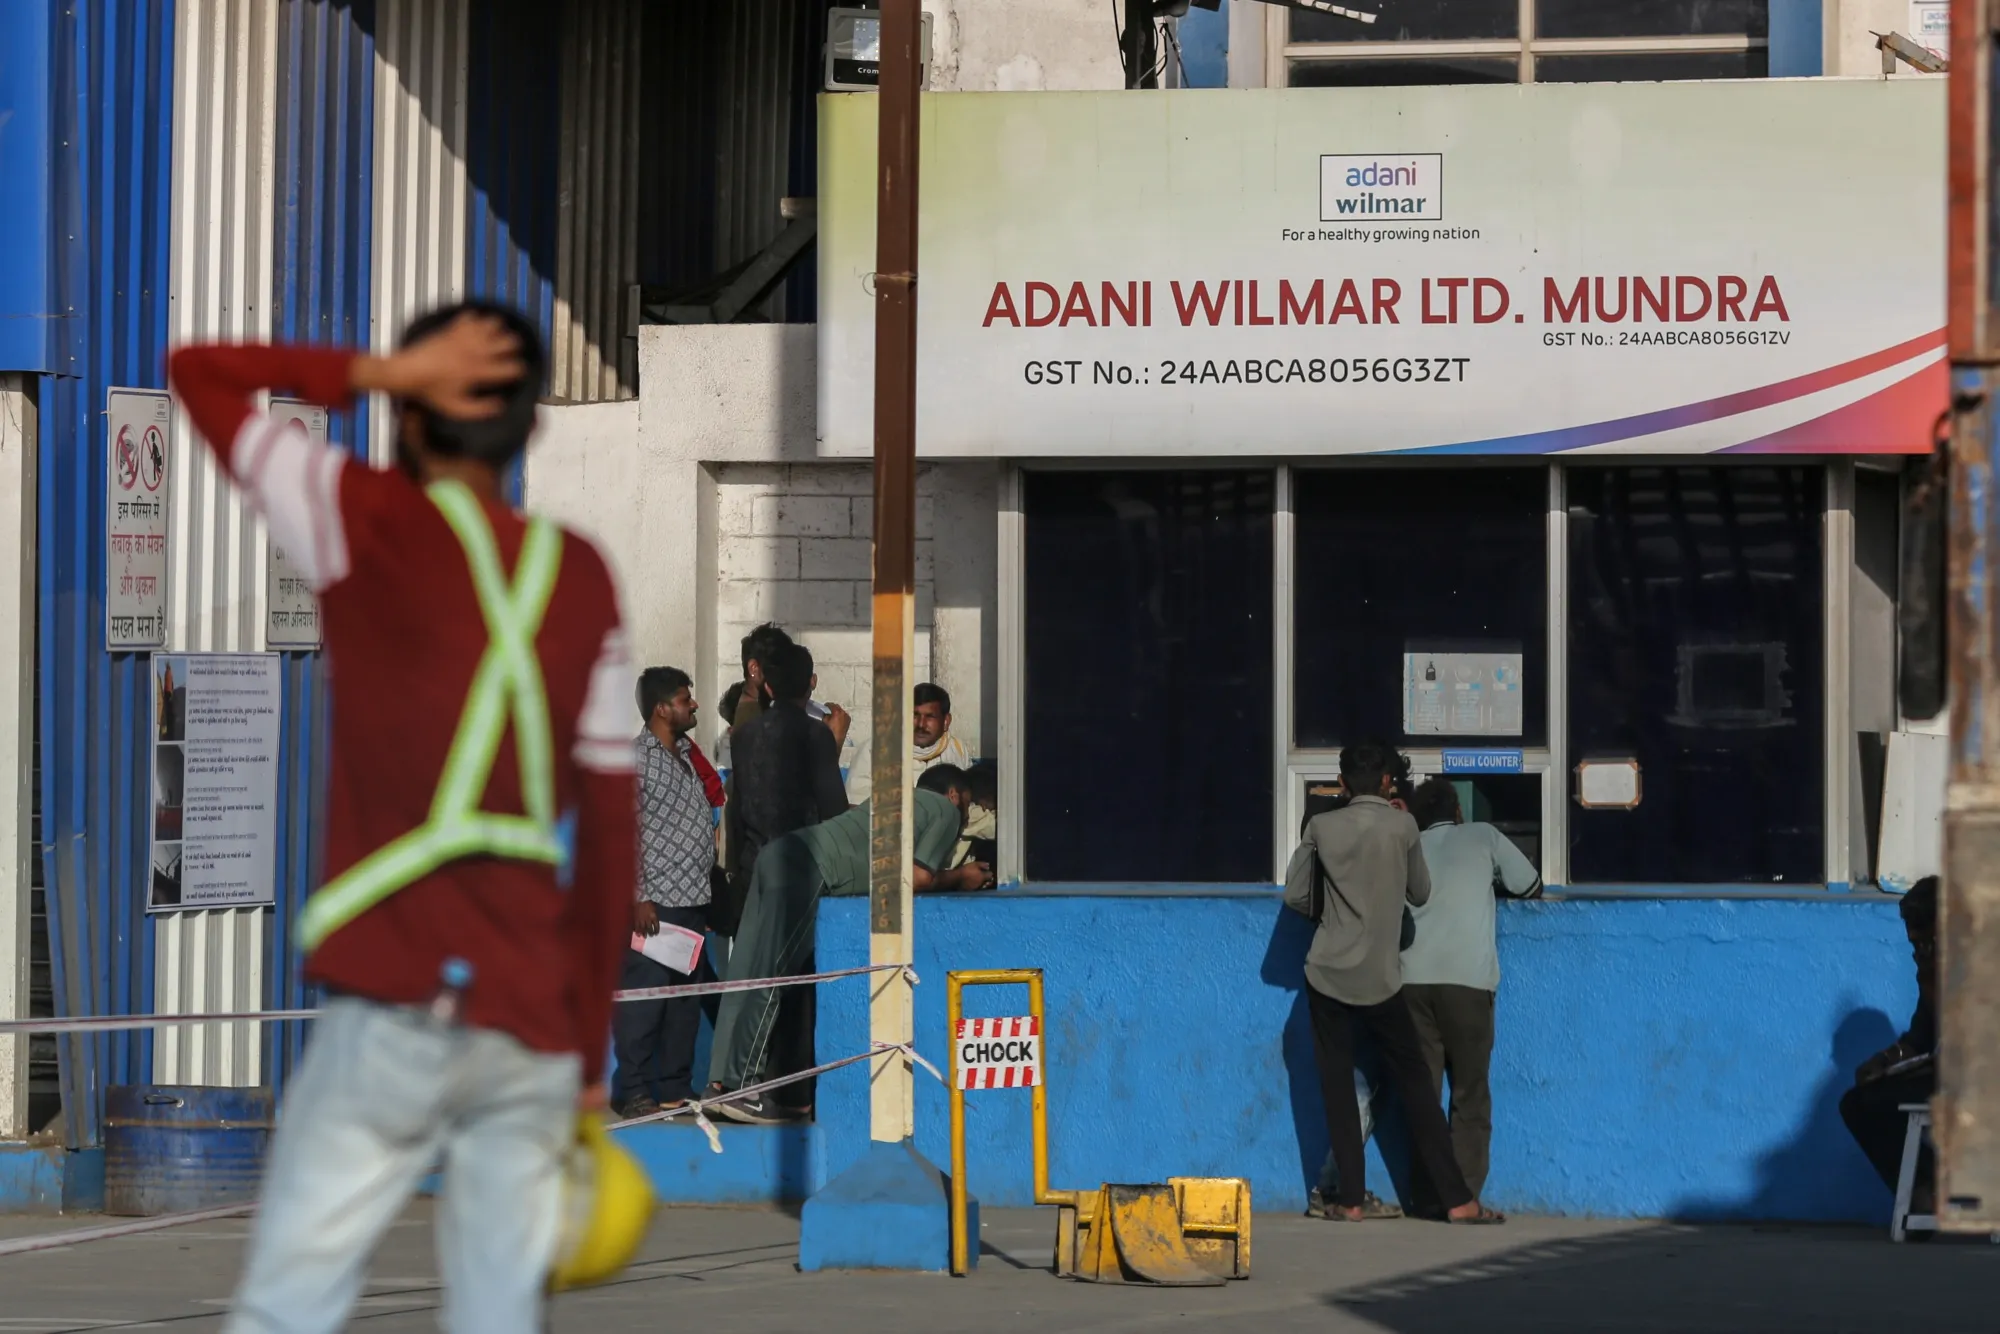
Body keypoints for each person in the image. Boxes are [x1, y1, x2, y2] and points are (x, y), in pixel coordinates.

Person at [169, 303, 636, 1332]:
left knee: (290, 1302)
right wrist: (591, 1058)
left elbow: (198, 373)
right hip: (532, 1021)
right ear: (529, 428)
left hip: (392, 995)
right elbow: (609, 838)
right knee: (496, 1315)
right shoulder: (582, 575)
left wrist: (377, 368)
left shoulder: (361, 521)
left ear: (413, 416)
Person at [1283, 743, 1502, 1224]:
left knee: (1338, 1088)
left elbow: (1297, 895)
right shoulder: (1403, 826)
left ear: (1342, 784)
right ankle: (1459, 1201)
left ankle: (1351, 1201)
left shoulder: (1321, 826)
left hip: (1327, 974)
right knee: (1418, 1089)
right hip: (1381, 978)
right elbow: (1420, 892)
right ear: (1387, 783)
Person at [706, 776, 988, 1123]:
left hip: (779, 853)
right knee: (774, 973)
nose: (963, 820)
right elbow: (917, 877)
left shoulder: (892, 799)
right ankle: (743, 1089)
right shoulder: (944, 810)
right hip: (811, 867)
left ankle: (718, 1084)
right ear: (954, 794)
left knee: (745, 971)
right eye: (966, 806)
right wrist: (961, 876)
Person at [1400, 776, 1542, 1213]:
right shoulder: (1484, 835)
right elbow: (1529, 885)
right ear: (1459, 812)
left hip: (1409, 983)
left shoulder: (1407, 847)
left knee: (1423, 1093)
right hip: (1467, 983)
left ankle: (1426, 1195)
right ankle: (1462, 1199)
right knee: (1470, 1094)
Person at [614, 667, 717, 1121]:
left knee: (683, 1005)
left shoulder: (688, 755)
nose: (692, 705)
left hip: (693, 900)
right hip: (655, 905)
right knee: (645, 1000)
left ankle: (675, 1089)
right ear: (661, 708)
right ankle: (635, 1090)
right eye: (684, 698)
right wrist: (638, 897)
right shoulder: (637, 758)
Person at [1840, 876, 1939, 1214]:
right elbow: (1919, 1038)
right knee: (1856, 1103)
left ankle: (1931, 1185)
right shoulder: (1930, 970)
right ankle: (1923, 1189)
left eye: (1925, 938)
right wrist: (1884, 1060)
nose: (1916, 946)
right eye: (1913, 940)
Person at [732, 623, 793, 730]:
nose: (783, 675)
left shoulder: (758, 708)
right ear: (753, 668)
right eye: (776, 667)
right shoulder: (751, 717)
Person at [913, 682, 972, 772]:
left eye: (930, 716)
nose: (921, 724)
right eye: (915, 715)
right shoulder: (888, 754)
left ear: (946, 721)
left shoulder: (957, 750)